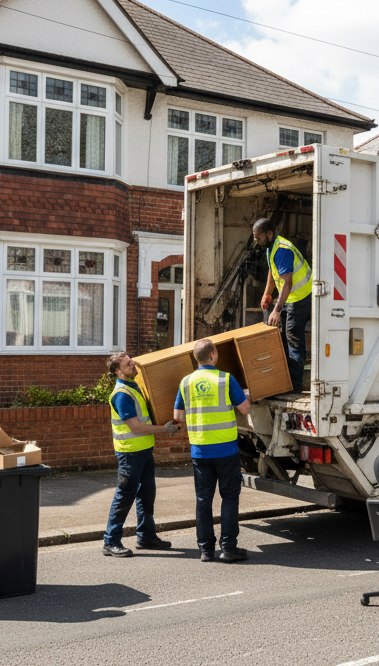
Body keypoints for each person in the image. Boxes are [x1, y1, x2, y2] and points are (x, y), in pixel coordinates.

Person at [174, 338, 252, 562]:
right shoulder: (225, 379)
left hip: (200, 451)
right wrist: (246, 394)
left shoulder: (186, 382)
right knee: (229, 497)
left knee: (203, 500)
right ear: (214, 355)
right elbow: (245, 409)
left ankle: (206, 550)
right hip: (226, 450)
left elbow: (177, 417)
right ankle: (228, 548)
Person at [102, 352, 178, 558]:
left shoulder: (135, 387)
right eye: (128, 364)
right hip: (130, 453)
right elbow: (135, 427)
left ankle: (146, 536)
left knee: (147, 494)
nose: (133, 365)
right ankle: (110, 541)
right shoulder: (122, 394)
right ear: (118, 371)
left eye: (132, 361)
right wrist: (165, 429)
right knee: (125, 495)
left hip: (143, 451)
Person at [253, 218, 311, 393]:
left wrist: (277, 310)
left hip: (300, 297)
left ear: (269, 234)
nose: (257, 241)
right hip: (291, 297)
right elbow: (273, 271)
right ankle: (284, 382)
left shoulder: (282, 250)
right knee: (282, 337)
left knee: (294, 338)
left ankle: (295, 386)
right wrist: (267, 293)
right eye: (255, 237)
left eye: (259, 237)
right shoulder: (271, 247)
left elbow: (287, 283)